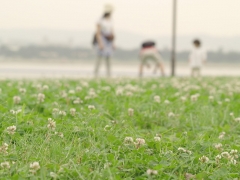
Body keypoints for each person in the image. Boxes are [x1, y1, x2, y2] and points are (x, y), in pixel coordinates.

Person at [93, 4, 115, 78]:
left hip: (109, 41)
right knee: (99, 58)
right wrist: (100, 43)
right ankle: (96, 75)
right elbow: (98, 33)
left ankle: (109, 75)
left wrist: (113, 43)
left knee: (108, 59)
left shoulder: (110, 20)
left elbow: (112, 32)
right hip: (102, 39)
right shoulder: (100, 20)